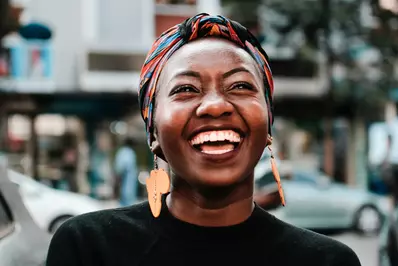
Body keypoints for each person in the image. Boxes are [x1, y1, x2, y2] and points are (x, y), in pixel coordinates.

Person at [46, 13, 361, 266]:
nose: (215, 105)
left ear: (267, 127)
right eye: (186, 89)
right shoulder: (88, 247)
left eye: (239, 86)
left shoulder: (326, 260)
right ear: (153, 134)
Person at [114, 138, 139, 206]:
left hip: (126, 182)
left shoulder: (122, 152)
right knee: (127, 200)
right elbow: (121, 168)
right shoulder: (128, 152)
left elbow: (118, 168)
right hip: (126, 182)